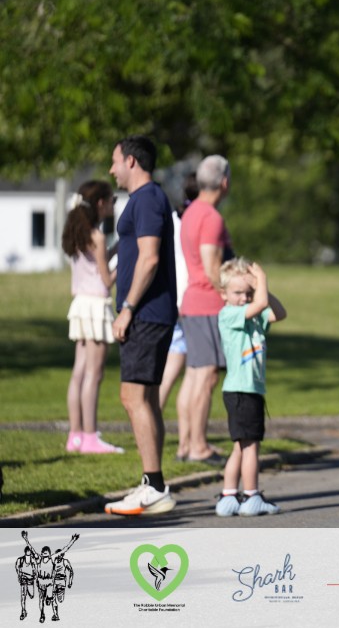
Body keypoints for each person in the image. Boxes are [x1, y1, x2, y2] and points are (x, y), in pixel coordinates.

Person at [103, 135, 178, 516]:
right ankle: (154, 484)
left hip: (146, 314)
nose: (111, 169)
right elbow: (136, 252)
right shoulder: (145, 199)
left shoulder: (147, 199)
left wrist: (128, 308)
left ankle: (154, 486)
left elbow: (149, 259)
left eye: (115, 161)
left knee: (133, 398)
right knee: (145, 398)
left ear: (131, 161)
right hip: (151, 313)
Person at [214, 257, 286, 517]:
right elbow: (261, 304)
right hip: (242, 391)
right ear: (223, 293)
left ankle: (229, 496)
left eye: (248, 293)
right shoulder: (228, 314)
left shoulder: (254, 317)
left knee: (240, 447)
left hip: (249, 390)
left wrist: (261, 288)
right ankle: (252, 496)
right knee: (251, 446)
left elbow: (279, 313)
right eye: (237, 293)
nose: (244, 298)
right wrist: (261, 281)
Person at [175, 155, 233, 465]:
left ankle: (185, 444)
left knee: (194, 374)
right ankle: (198, 446)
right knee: (207, 376)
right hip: (208, 304)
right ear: (224, 182)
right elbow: (212, 267)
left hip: (191, 303)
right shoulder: (211, 217)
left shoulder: (191, 212)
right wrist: (232, 295)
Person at [61, 180, 123, 454]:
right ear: (101, 203)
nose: (113, 205)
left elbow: (97, 262)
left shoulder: (77, 232)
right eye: (112, 201)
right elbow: (106, 279)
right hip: (96, 306)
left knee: (79, 373)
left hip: (80, 304)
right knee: (94, 374)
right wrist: (125, 261)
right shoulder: (96, 236)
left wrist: (117, 248)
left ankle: (75, 435)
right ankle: (90, 436)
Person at [158, 174, 198, 441]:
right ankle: (189, 440)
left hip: (173, 298)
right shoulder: (199, 220)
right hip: (192, 300)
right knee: (194, 375)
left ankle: (149, 427)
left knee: (170, 373)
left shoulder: (172, 219)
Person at [22, 531, 78, 623]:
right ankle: (42, 614)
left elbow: (64, 550)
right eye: (43, 552)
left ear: (49, 553)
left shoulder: (52, 558)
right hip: (41, 583)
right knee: (41, 599)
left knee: (50, 598)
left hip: (49, 583)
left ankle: (49, 599)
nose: (45, 554)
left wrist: (72, 541)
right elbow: (32, 549)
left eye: (46, 552)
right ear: (41, 553)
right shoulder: (38, 559)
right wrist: (26, 539)